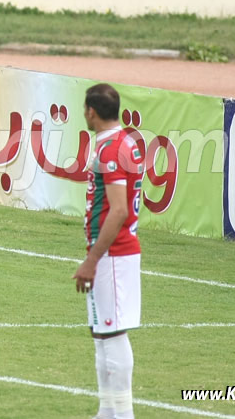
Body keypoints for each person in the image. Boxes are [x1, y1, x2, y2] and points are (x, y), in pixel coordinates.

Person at [72, 83, 144, 419]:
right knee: (101, 332)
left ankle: (123, 415)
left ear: (91, 111)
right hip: (111, 252)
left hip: (113, 254)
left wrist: (92, 259)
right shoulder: (124, 141)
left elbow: (118, 211)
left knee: (112, 332)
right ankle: (106, 412)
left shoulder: (112, 150)